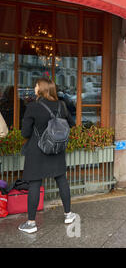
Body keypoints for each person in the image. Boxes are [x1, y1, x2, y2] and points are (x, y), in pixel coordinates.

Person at [18, 78, 77, 234]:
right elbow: (72, 124)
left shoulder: (33, 107)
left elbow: (25, 132)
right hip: (57, 149)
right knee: (62, 180)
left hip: (37, 150)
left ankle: (31, 223)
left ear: (41, 89)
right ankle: (68, 215)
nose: (34, 87)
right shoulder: (62, 105)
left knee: (35, 184)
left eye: (36, 85)